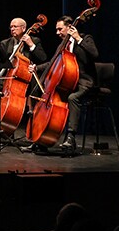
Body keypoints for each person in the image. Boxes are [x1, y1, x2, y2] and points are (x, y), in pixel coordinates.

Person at [30, 16, 98, 153]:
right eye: (57, 30)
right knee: (45, 96)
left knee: (73, 98)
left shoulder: (85, 38)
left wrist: (78, 38)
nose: (57, 32)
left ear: (70, 27)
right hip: (67, 83)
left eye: (60, 29)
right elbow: (52, 63)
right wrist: (37, 67)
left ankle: (70, 137)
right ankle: (42, 139)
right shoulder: (62, 45)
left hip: (84, 82)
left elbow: (95, 54)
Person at [0, 17, 47, 81]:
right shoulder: (5, 43)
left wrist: (31, 45)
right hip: (9, 77)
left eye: (15, 26)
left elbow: (43, 58)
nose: (12, 29)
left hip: (28, 78)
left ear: (23, 28)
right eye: (11, 27)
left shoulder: (34, 41)